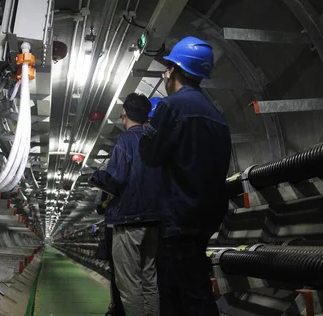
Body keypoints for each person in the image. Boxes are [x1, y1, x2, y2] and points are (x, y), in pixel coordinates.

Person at [139, 37, 231, 316]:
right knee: (191, 288)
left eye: (167, 69)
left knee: (185, 295)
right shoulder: (217, 115)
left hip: (179, 216)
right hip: (206, 216)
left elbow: (150, 155)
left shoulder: (171, 107)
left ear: (173, 71)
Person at [90, 93, 162, 316]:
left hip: (130, 220)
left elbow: (116, 178)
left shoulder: (126, 140)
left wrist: (96, 176)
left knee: (129, 284)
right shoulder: (155, 140)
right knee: (149, 279)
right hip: (155, 220)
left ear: (124, 113)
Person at [95, 191, 125, 316]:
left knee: (119, 273)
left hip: (118, 227)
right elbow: (99, 208)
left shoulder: (107, 175)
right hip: (139, 224)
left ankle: (118, 308)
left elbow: (99, 208)